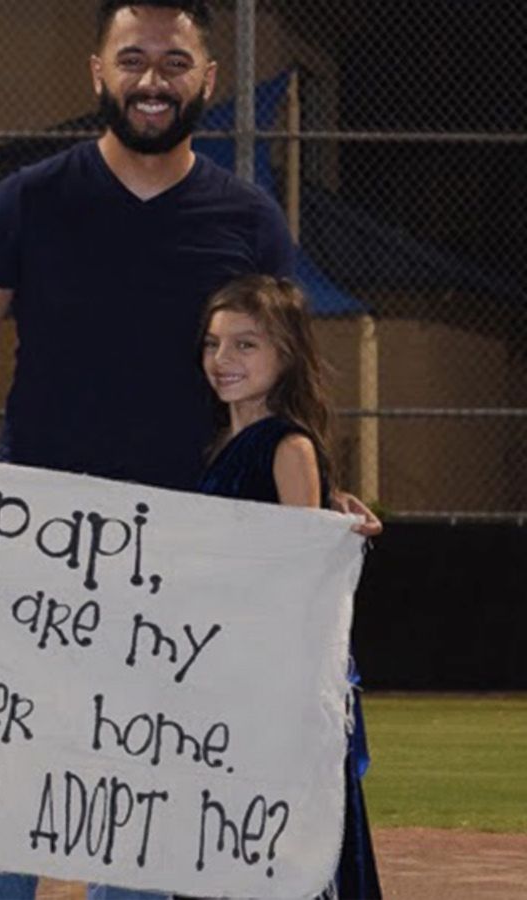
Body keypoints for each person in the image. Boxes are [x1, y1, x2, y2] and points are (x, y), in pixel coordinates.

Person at [0, 3, 380, 897]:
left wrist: (324, 503)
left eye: (176, 61)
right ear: (97, 71)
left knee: (139, 826)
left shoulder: (246, 217)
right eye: (133, 58)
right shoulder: (30, 200)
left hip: (177, 572)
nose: (153, 79)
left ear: (208, 80)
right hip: (34, 558)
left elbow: (283, 379)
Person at [192, 275, 382, 900]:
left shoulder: (285, 443)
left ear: (287, 353)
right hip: (230, 677)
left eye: (246, 345)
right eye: (214, 344)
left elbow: (298, 576)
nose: (223, 361)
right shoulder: (227, 444)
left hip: (265, 687)